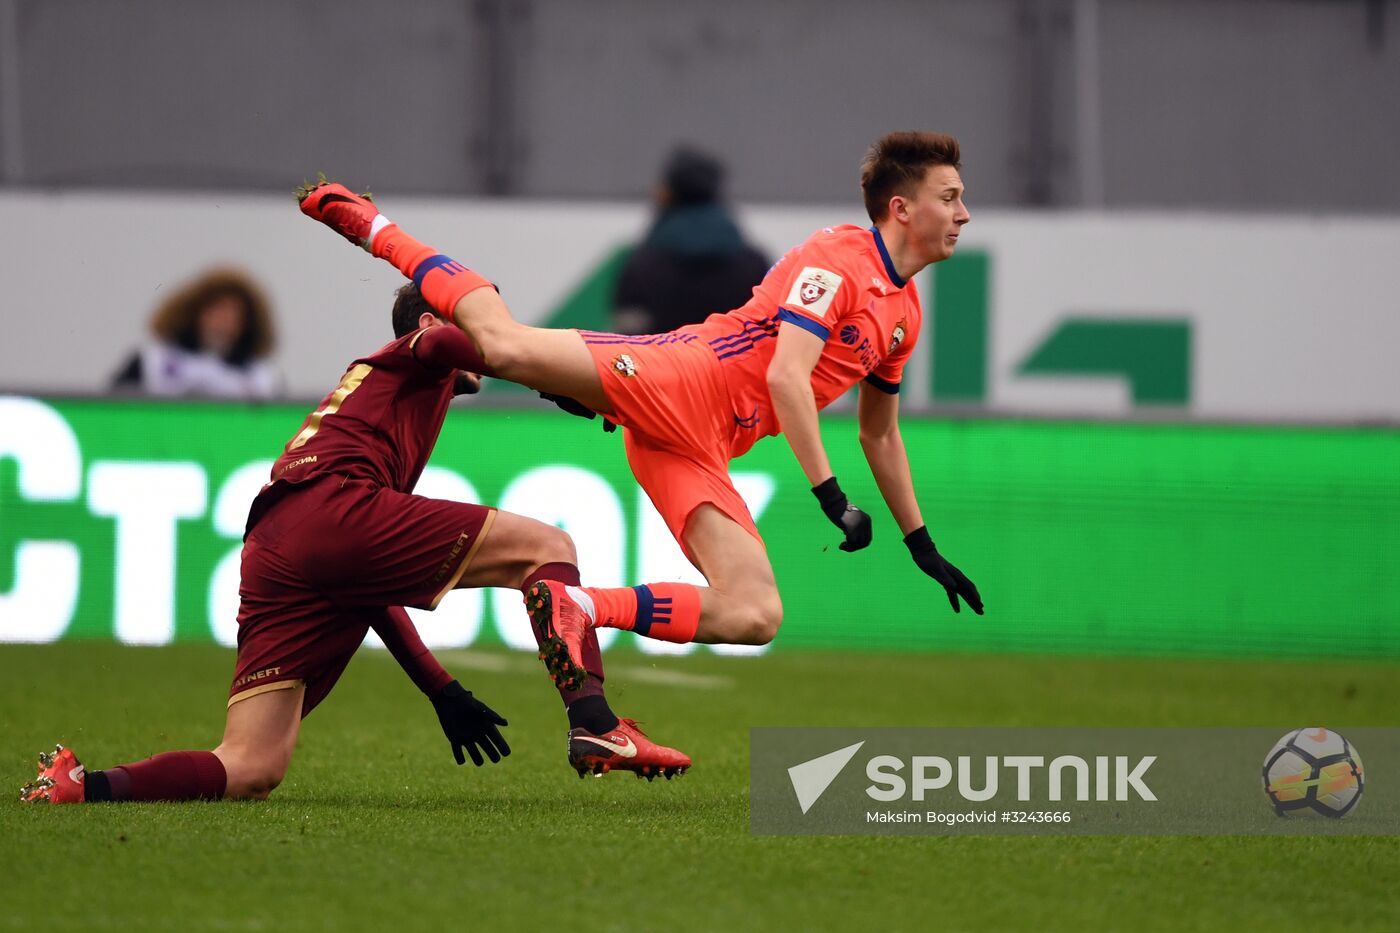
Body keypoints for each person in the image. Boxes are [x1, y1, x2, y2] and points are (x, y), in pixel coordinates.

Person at [295, 130, 983, 687]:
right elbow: (785, 377)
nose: (963, 213)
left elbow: (880, 435)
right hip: (687, 377)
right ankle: (374, 227)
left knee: (754, 613)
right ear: (901, 208)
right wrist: (831, 496)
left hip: (705, 444)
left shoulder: (905, 315)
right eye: (949, 197)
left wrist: (921, 543)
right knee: (502, 344)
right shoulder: (837, 260)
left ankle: (581, 606)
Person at [21, 287, 690, 805]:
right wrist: (554, 377)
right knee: (548, 545)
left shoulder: (395, 394)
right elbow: (442, 343)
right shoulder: (418, 352)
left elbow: (367, 579)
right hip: (331, 507)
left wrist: (441, 689)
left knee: (251, 765)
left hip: (279, 542)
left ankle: (83, 786)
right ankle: (593, 718)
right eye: (480, 319)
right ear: (430, 321)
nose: (495, 332)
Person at [612, 146, 769, 335]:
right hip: (732, 354)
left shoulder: (642, 265)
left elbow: (628, 339)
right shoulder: (753, 264)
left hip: (663, 355)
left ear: (667, 194)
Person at [112, 267, 281, 400]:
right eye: (217, 309)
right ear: (196, 312)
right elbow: (113, 412)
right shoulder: (152, 362)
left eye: (234, 316)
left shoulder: (262, 379)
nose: (223, 321)